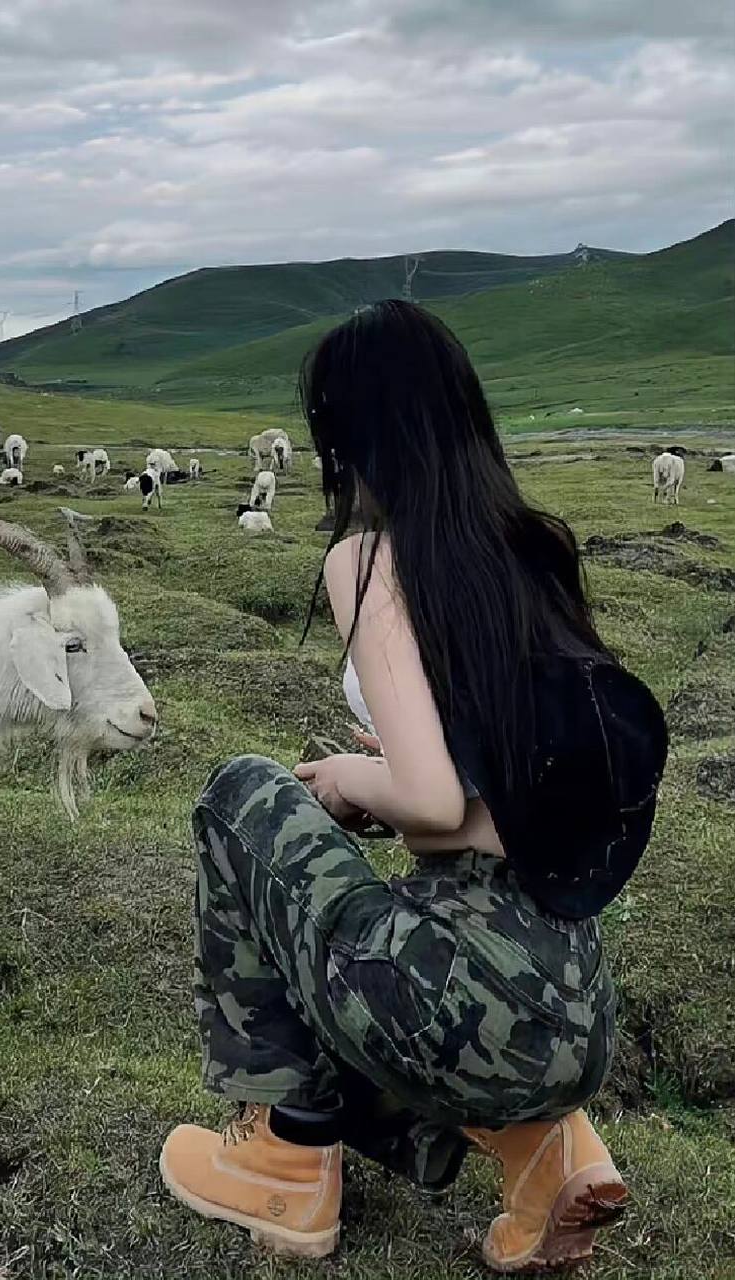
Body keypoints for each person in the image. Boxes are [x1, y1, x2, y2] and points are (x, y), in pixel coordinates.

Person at [159, 300, 668, 1273]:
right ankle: (545, 1148)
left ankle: (287, 1154)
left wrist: (355, 776)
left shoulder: (369, 558)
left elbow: (430, 803)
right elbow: (500, 801)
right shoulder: (531, 551)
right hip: (574, 1016)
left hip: (458, 998)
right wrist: (399, 780)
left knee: (238, 796)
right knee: (387, 929)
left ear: (350, 432)